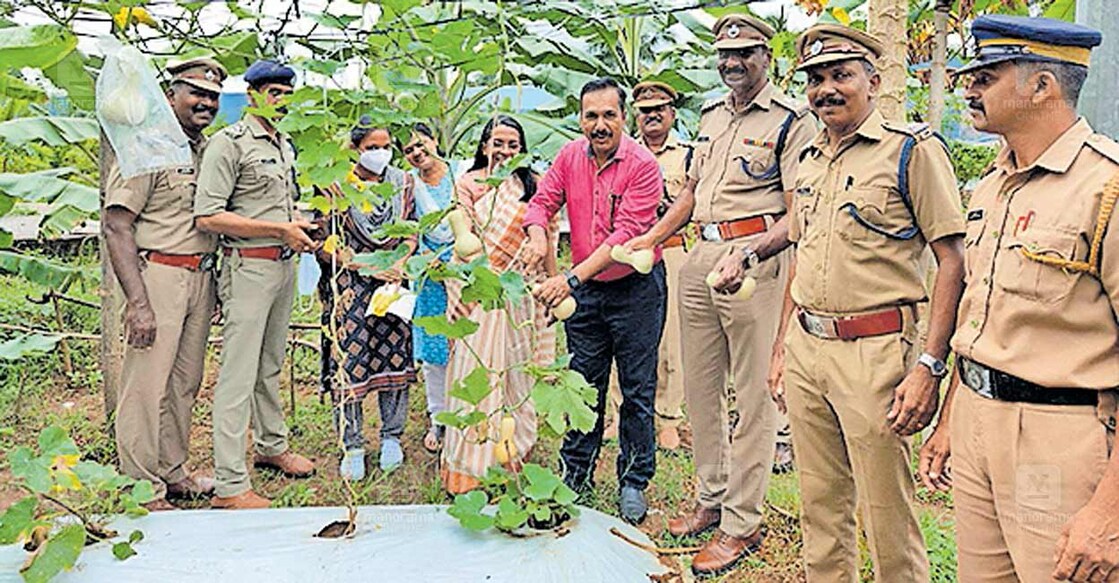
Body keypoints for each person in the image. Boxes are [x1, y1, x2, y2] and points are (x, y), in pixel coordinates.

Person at [917, 15, 1119, 583]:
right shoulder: (993, 183)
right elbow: (979, 315)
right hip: (980, 422)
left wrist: (1108, 509)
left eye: (986, 76)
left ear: (1042, 87)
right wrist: (955, 418)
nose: (968, 88)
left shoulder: (1105, 188)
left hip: (1055, 437)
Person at [772, 25, 966, 581]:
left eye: (841, 75)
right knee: (820, 505)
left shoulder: (911, 151)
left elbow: (952, 260)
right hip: (809, 347)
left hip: (876, 352)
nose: (826, 89)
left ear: (873, 82)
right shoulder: (809, 157)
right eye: (815, 79)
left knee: (886, 513)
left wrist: (929, 365)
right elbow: (804, 254)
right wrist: (784, 349)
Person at [626, 14, 815, 574]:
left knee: (751, 397)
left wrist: (751, 253)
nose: (733, 63)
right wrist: (654, 237)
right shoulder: (710, 117)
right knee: (702, 390)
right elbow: (689, 191)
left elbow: (797, 210)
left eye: (746, 53)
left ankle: (742, 522)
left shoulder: (790, 120)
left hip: (754, 263)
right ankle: (711, 496)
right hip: (700, 259)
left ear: (767, 57)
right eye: (725, 55)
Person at [524, 77, 666, 525]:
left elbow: (625, 236)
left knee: (638, 389)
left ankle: (633, 480)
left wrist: (568, 280)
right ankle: (576, 474)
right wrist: (534, 235)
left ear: (624, 118)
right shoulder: (569, 156)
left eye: (609, 115)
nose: (600, 124)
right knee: (582, 386)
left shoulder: (643, 166)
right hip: (586, 290)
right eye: (591, 116)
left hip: (635, 289)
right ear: (581, 118)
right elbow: (542, 201)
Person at [102, 57, 227, 511]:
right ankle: (140, 486)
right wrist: (138, 302)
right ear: (170, 95)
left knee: (184, 382)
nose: (205, 103)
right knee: (145, 386)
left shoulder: (207, 150)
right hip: (158, 277)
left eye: (212, 96)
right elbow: (117, 226)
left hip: (200, 277)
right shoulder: (146, 146)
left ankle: (173, 472)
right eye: (195, 93)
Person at [194, 59, 317, 509]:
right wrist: (278, 230)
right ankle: (229, 484)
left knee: (270, 365)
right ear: (252, 96)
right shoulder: (229, 143)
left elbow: (275, 207)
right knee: (238, 375)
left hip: (282, 266)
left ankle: (271, 446)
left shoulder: (284, 144)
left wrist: (298, 223)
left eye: (288, 94)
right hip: (247, 267)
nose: (281, 101)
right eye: (273, 94)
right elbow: (207, 215)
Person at [441, 115, 559, 494]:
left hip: (519, 292)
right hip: (480, 293)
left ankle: (512, 455)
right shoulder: (469, 184)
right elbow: (466, 243)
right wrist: (480, 278)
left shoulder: (534, 185)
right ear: (483, 145)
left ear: (521, 149)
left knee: (515, 374)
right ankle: (468, 467)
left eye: (513, 144)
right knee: (476, 374)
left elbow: (548, 239)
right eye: (498, 142)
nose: (505, 151)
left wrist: (553, 284)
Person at [316, 123, 418, 479]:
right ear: (355, 148)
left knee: (394, 354)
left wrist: (401, 261)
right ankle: (353, 443)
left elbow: (412, 231)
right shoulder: (334, 185)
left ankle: (392, 436)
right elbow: (324, 241)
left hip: (392, 286)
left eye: (387, 145)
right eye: (372, 146)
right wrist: (366, 265)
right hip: (350, 288)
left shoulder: (403, 183)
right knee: (350, 360)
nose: (381, 152)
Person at [601, 80, 692, 452]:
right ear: (634, 116)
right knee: (624, 336)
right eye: (645, 110)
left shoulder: (686, 156)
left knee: (670, 339)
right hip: (625, 254)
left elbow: (692, 206)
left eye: (661, 109)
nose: (653, 116)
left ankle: (668, 417)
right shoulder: (620, 156)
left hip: (670, 252)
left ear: (672, 114)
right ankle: (619, 414)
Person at [404, 122, 456, 462]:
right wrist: (424, 258)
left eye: (422, 144)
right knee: (434, 347)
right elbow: (406, 225)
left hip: (465, 271)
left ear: (435, 140)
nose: (418, 153)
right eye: (409, 150)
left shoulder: (462, 175)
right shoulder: (407, 185)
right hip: (427, 273)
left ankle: (464, 414)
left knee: (465, 343)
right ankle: (439, 418)